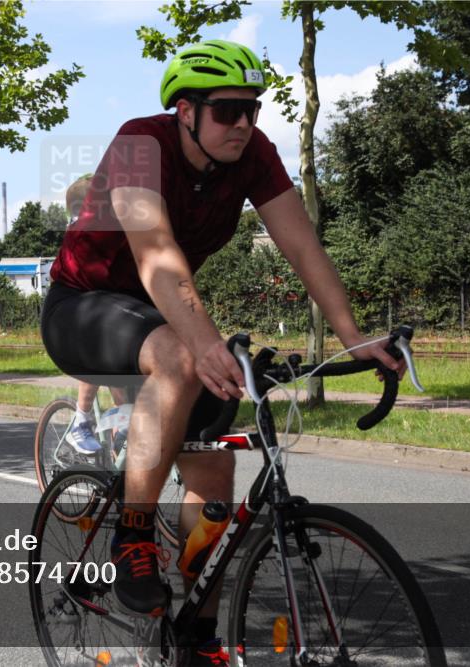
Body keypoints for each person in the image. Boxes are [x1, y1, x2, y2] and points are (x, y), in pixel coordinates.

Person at [41, 40, 403, 665]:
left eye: (252, 111)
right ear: (186, 111)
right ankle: (132, 533)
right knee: (185, 360)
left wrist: (353, 334)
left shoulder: (251, 156)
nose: (243, 124)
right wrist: (206, 345)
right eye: (227, 110)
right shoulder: (139, 145)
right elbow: (156, 256)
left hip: (160, 315)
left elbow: (301, 245)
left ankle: (198, 634)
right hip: (84, 303)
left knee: (213, 479)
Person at [62, 174, 132, 455]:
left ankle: (122, 440)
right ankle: (80, 420)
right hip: (78, 313)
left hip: (109, 310)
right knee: (100, 353)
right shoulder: (79, 234)